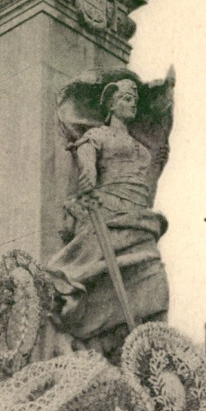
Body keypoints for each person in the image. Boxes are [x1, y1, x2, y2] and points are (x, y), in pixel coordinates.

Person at [47, 78, 170, 348]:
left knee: (156, 282)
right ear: (112, 105)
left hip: (138, 221)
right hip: (108, 214)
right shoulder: (96, 136)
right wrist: (88, 176)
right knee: (97, 277)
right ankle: (92, 334)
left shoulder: (142, 150)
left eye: (134, 101)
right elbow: (87, 165)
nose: (132, 105)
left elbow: (144, 189)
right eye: (126, 99)